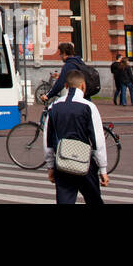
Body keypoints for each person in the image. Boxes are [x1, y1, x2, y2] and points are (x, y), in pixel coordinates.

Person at [43, 69, 109, 204]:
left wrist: (50, 166)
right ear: (83, 86)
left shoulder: (53, 106)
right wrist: (103, 168)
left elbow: (47, 140)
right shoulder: (89, 106)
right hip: (85, 162)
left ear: (65, 86)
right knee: (94, 200)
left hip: (62, 162)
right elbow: (97, 140)